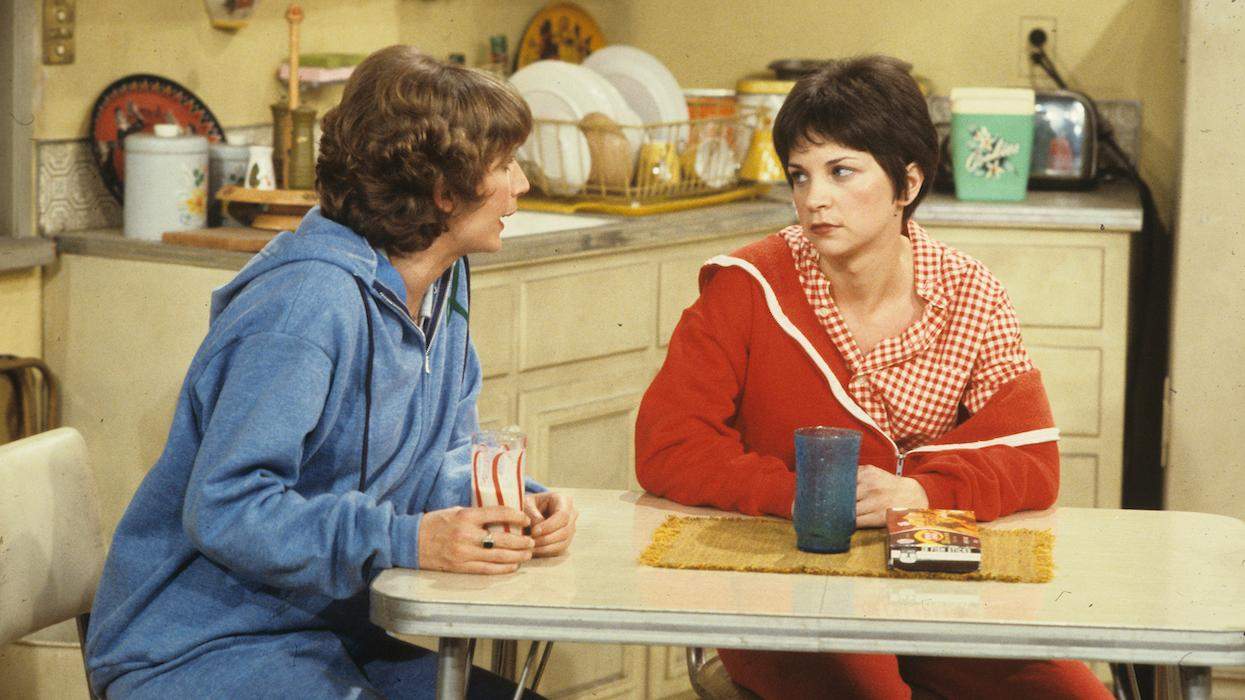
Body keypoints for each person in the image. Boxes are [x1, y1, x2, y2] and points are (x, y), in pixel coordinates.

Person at [85, 46, 577, 699]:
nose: (521, 185)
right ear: (442, 190)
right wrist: (407, 540)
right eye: (506, 165)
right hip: (194, 649)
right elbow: (228, 508)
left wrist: (510, 504)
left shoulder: (441, 282)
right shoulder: (305, 306)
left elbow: (438, 458)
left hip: (323, 632)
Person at [634, 56, 1111, 699]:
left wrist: (920, 493)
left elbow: (1032, 462)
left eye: (841, 171)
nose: (814, 199)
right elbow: (669, 446)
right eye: (799, 177)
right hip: (788, 589)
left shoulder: (971, 293)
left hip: (936, 590)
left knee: (1076, 695)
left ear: (906, 183)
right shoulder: (746, 286)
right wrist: (801, 495)